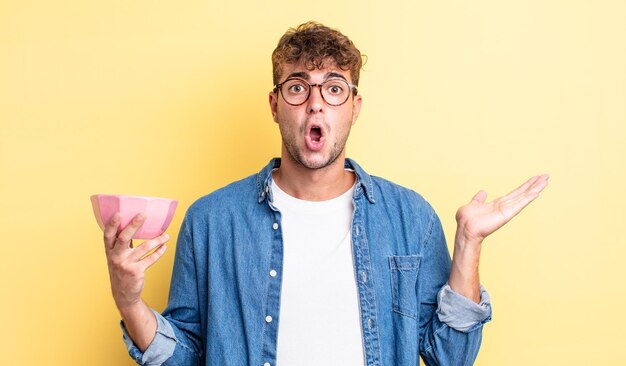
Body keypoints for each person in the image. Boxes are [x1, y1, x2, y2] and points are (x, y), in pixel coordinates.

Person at [103, 21, 549, 366]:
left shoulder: (410, 217)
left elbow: (450, 357)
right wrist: (129, 301)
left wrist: (469, 246)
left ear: (354, 107)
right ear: (275, 104)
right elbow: (184, 357)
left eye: (334, 88)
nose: (316, 103)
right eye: (298, 87)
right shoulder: (212, 221)